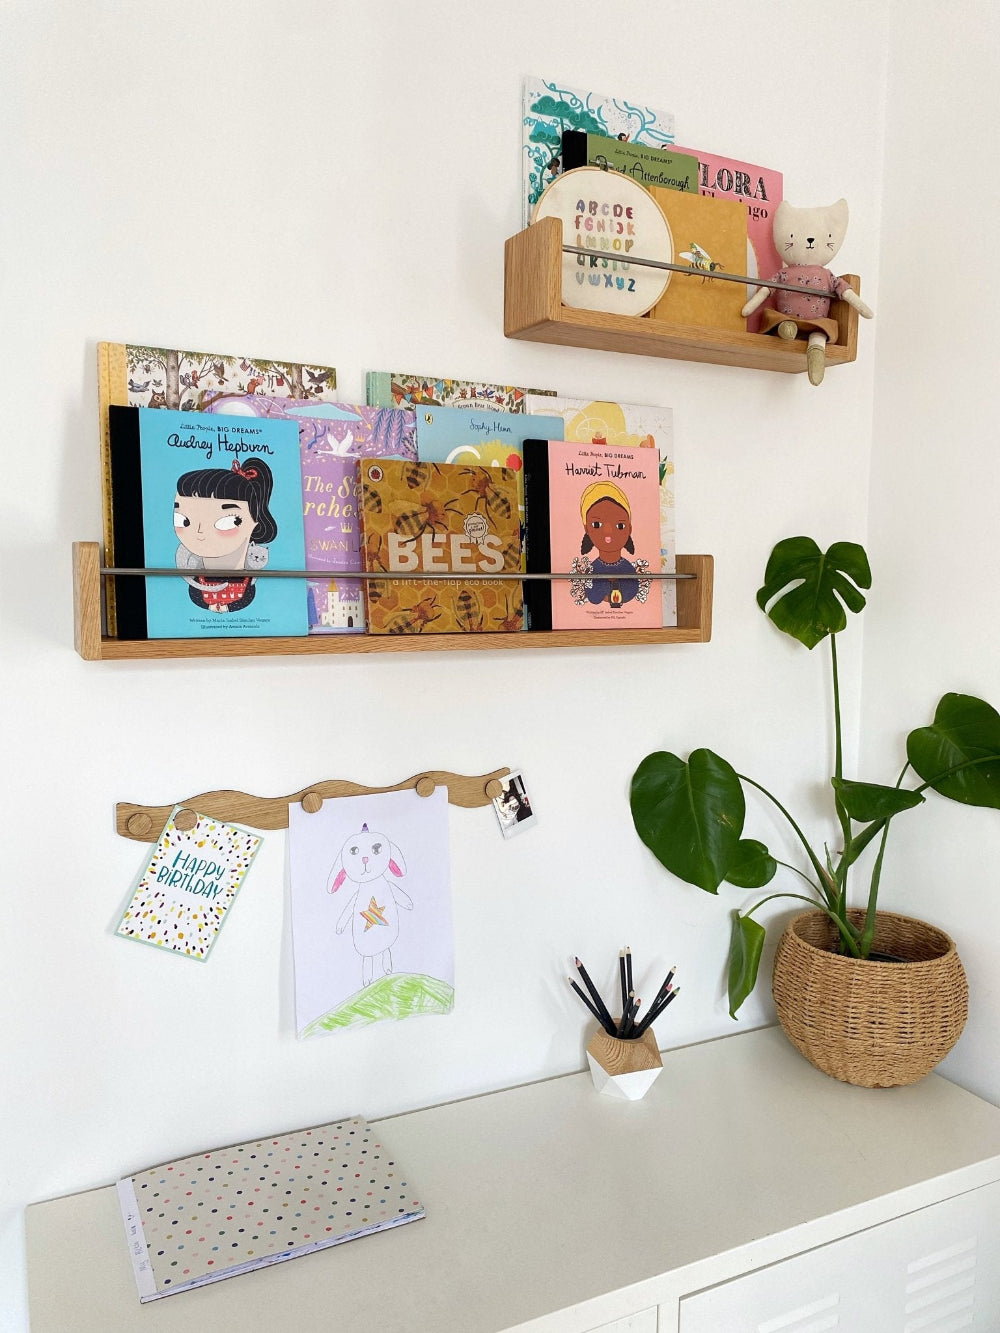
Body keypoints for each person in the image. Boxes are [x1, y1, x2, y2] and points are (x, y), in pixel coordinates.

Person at [173, 457, 277, 613]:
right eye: (183, 520)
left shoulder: (250, 583)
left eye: (227, 521)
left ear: (255, 522)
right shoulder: (194, 581)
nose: (200, 531)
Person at [579, 481, 640, 607]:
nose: (608, 532)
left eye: (620, 525)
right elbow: (593, 597)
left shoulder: (628, 568)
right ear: (587, 529)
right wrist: (609, 585)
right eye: (597, 525)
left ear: (629, 529)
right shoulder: (592, 568)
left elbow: (633, 590)